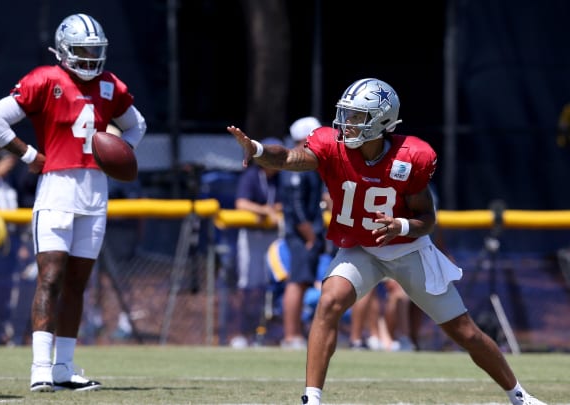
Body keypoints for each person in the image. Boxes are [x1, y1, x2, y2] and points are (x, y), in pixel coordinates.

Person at [227, 78, 546, 405]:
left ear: (381, 121)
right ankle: (312, 398)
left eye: (356, 117)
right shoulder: (332, 145)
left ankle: (519, 394)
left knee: (464, 332)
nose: (346, 124)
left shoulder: (412, 156)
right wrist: (259, 150)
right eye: (346, 115)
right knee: (329, 301)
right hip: (360, 249)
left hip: (408, 250)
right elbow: (289, 158)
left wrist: (402, 224)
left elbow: (428, 221)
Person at [0, 13, 146, 392]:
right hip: (56, 187)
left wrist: (118, 152)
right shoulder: (45, 79)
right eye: (83, 51)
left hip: (96, 190)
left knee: (77, 283)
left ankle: (64, 366)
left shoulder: (110, 85)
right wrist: (26, 155)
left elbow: (138, 125)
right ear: (65, 51)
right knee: (51, 276)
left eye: (95, 51)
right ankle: (40, 366)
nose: (89, 58)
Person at [229, 138, 283, 348]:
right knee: (248, 286)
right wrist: (265, 210)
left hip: (273, 236)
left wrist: (276, 209)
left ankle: (268, 333)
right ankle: (243, 331)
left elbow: (285, 203)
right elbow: (241, 203)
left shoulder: (282, 178)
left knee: (271, 285)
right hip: (252, 237)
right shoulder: (252, 175)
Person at [278, 117, 326, 349]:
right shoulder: (296, 162)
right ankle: (291, 335)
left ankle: (296, 333)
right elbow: (297, 208)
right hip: (301, 235)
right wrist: (310, 236)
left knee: (303, 281)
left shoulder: (309, 163)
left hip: (307, 233)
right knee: (296, 282)